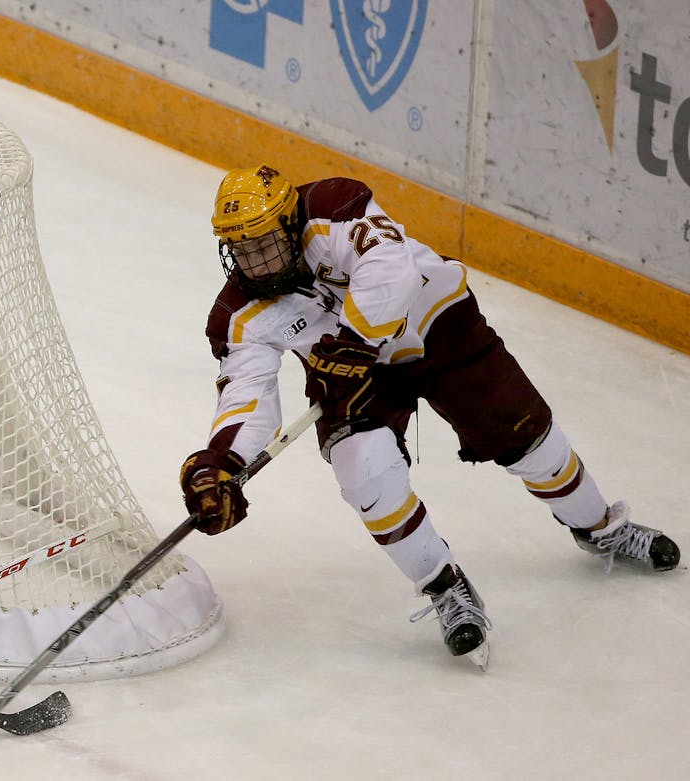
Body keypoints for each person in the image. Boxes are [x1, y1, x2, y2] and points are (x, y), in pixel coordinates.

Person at [179, 165, 680, 668]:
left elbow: (390, 266)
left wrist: (353, 344)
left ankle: (598, 527)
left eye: (262, 244)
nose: (253, 262)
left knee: (531, 442)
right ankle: (445, 587)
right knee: (364, 476)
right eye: (240, 249)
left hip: (437, 327)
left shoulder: (334, 206)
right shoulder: (238, 314)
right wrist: (222, 461)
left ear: (289, 224)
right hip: (352, 375)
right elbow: (248, 391)